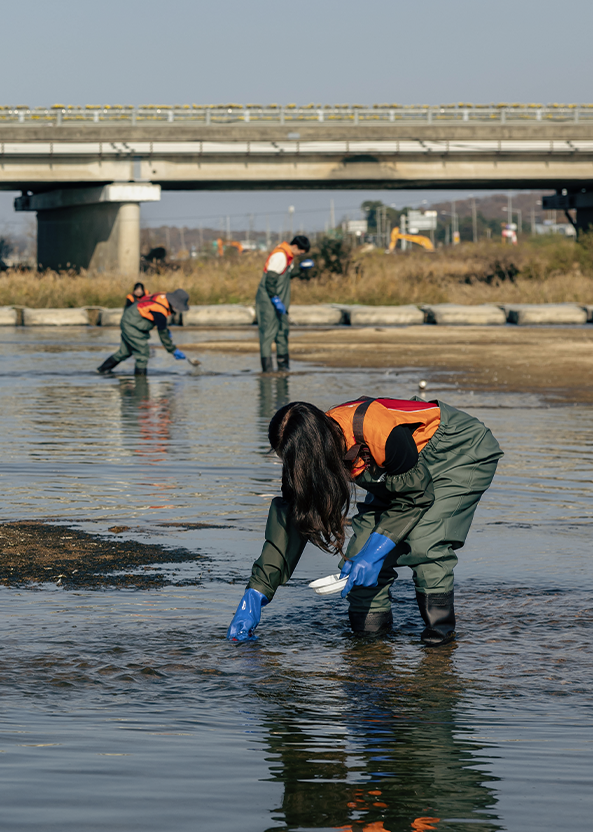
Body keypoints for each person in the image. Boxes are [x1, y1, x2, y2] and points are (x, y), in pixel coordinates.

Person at [227, 397, 502, 644]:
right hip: (400, 474)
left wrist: (376, 552)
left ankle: (439, 653)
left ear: (317, 448)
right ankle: (369, 658)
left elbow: (416, 497)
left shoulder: (374, 428)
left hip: (455, 451)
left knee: (424, 544)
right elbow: (292, 521)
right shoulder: (308, 454)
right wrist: (256, 593)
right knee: (356, 557)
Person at [96, 289, 191, 376]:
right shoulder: (159, 310)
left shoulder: (162, 296)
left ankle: (103, 370)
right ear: (174, 303)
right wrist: (173, 350)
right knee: (143, 353)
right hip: (132, 325)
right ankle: (140, 381)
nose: (177, 310)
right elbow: (162, 335)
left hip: (129, 319)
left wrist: (165, 328)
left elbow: (160, 324)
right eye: (178, 307)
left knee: (124, 352)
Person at [256, 235, 313, 372]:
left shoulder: (289, 257)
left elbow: (286, 275)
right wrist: (275, 299)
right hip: (269, 301)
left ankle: (283, 368)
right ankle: (268, 371)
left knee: (282, 332)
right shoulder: (280, 255)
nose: (301, 254)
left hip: (281, 302)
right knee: (268, 333)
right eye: (301, 252)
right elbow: (270, 280)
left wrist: (301, 269)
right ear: (295, 246)